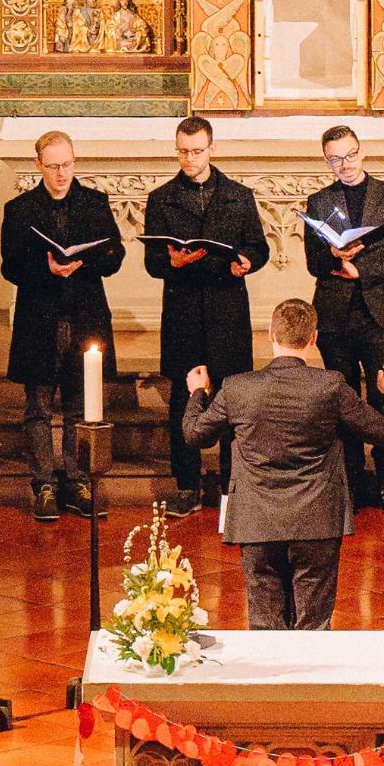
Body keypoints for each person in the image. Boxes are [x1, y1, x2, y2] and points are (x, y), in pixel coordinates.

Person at [181, 298, 384, 631]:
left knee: (265, 627)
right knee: (312, 628)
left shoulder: (238, 387)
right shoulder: (330, 385)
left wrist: (198, 393)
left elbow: (195, 434)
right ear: (313, 339)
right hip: (316, 521)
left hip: (257, 522)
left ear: (270, 333)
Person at [144, 115, 269, 516]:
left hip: (226, 307)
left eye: (197, 151)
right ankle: (187, 485)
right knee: (184, 399)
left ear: (212, 149)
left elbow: (259, 246)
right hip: (183, 308)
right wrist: (172, 262)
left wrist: (248, 262)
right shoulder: (161, 198)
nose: (189, 159)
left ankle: (233, 485)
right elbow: (151, 261)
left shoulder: (238, 195)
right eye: (182, 151)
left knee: (232, 397)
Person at [0, 131, 126, 522]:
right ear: (38, 165)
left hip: (84, 312)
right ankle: (43, 485)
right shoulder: (20, 208)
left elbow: (115, 254)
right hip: (40, 317)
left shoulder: (93, 202)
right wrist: (46, 267)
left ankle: (75, 481)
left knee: (78, 404)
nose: (61, 174)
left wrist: (84, 262)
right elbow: (9, 265)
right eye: (53, 166)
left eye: (67, 164)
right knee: (38, 406)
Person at [302, 125, 384, 510]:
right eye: (335, 159)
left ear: (362, 152)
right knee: (344, 397)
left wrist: (363, 270)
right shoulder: (319, 202)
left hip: (376, 312)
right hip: (334, 315)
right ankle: (350, 478)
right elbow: (312, 262)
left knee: (383, 391)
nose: (345, 165)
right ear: (326, 161)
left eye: (350, 155)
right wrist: (334, 259)